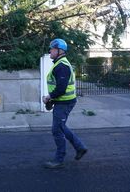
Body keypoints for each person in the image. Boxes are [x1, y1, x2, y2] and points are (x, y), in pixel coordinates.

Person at [42, 38, 87, 169]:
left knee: (57, 130)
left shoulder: (61, 66)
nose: (50, 50)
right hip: (62, 102)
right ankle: (80, 147)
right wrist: (52, 99)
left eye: (52, 48)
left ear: (59, 50)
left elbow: (61, 89)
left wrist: (48, 97)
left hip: (64, 103)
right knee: (60, 127)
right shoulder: (59, 63)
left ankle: (59, 159)